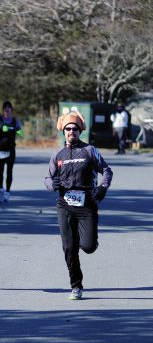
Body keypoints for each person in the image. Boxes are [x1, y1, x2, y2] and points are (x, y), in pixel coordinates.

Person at [44, 110, 113, 300]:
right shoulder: (57, 154)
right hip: (64, 204)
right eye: (67, 129)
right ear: (63, 132)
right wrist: (52, 185)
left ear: (79, 131)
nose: (71, 132)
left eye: (74, 128)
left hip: (87, 205)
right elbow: (48, 178)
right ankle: (76, 286)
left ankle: (91, 239)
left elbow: (107, 171)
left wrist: (102, 187)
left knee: (88, 246)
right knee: (69, 247)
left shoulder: (90, 151)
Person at [0, 101, 23, 203]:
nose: (7, 111)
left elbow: (21, 132)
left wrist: (19, 132)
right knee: (0, 172)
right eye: (5, 109)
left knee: (9, 172)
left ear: (11, 110)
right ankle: (1, 189)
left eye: (8, 109)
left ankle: (8, 192)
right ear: (3, 111)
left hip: (11, 150)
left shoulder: (15, 121)